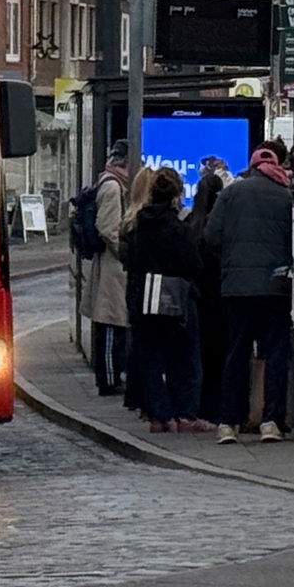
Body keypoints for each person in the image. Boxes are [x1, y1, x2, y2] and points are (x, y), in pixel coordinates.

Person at [204, 146, 294, 445]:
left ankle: (229, 422)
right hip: (275, 287)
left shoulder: (231, 194)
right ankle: (271, 420)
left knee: (236, 353)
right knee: (275, 354)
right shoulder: (286, 196)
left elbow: (211, 236)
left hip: (237, 287)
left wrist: (231, 262)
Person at [122, 168, 213, 433]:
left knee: (150, 359)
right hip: (178, 302)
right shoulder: (179, 229)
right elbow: (193, 266)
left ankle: (159, 417)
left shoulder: (139, 227)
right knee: (185, 359)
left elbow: (131, 261)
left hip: (144, 302)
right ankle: (185, 414)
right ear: (176, 195)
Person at [79, 139, 131, 397]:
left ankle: (111, 377)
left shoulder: (110, 182)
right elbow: (108, 228)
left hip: (111, 265)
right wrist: (124, 254)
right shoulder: (112, 187)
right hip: (113, 266)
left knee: (113, 322)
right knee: (111, 322)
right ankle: (108, 380)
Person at [185, 171, 226, 423]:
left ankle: (197, 406)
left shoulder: (190, 223)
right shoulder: (219, 227)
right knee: (218, 357)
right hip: (219, 299)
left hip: (196, 299)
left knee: (197, 356)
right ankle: (215, 408)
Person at [120, 166, 158, 413]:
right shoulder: (146, 221)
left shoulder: (128, 221)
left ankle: (135, 395)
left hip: (134, 288)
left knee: (139, 343)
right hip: (152, 289)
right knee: (152, 349)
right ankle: (147, 399)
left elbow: (126, 259)